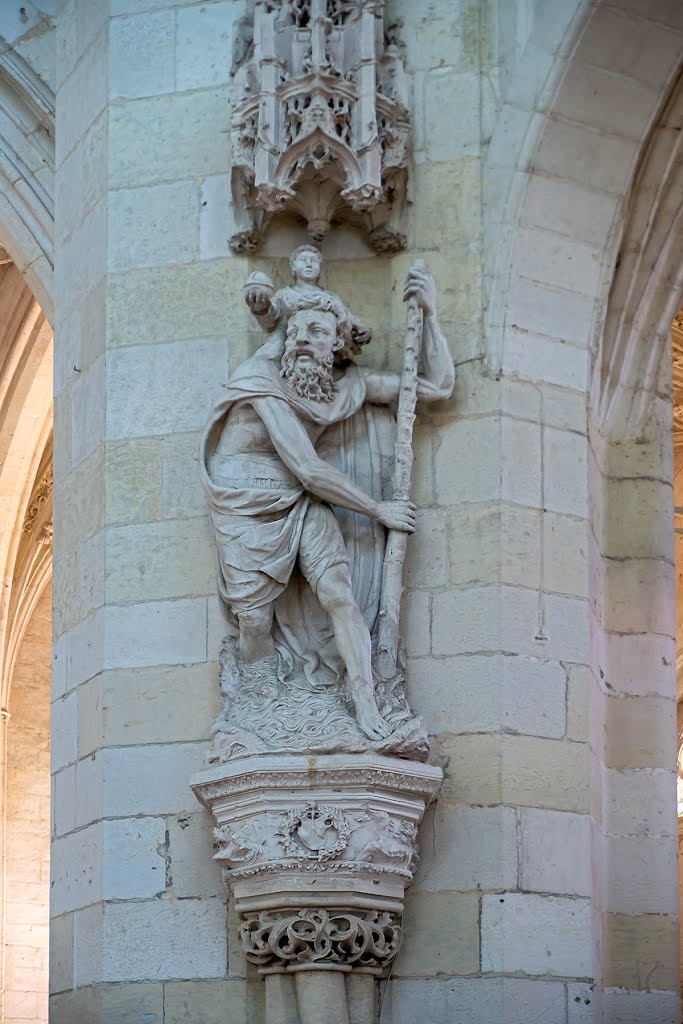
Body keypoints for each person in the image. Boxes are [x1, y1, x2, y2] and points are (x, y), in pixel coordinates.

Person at [200, 261, 454, 743]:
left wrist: (431, 314)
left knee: (339, 592)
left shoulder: (349, 387)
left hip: (300, 497)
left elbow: (438, 388)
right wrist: (379, 510)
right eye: (294, 331)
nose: (300, 340)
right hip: (246, 497)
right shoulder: (261, 380)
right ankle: (256, 704)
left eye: (315, 331)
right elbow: (310, 469)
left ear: (336, 343)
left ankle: (366, 703)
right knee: (254, 621)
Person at [243, 242, 372, 355]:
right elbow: (271, 321)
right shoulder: (284, 294)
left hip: (321, 343)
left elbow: (346, 317)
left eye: (314, 261)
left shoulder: (330, 297)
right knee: (265, 359)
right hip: (286, 340)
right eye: (303, 260)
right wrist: (262, 308)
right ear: (293, 266)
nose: (309, 264)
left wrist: (362, 328)